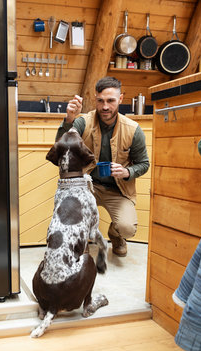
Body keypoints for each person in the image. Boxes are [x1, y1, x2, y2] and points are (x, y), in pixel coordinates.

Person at [55, 76, 150, 257]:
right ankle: (80, 243)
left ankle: (116, 234)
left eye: (110, 101)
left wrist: (127, 172)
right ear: (95, 99)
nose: (105, 106)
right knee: (72, 214)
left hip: (118, 190)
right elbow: (60, 148)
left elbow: (144, 164)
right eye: (100, 101)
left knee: (127, 228)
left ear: (120, 99)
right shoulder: (83, 122)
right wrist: (69, 119)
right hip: (87, 187)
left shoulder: (133, 129)